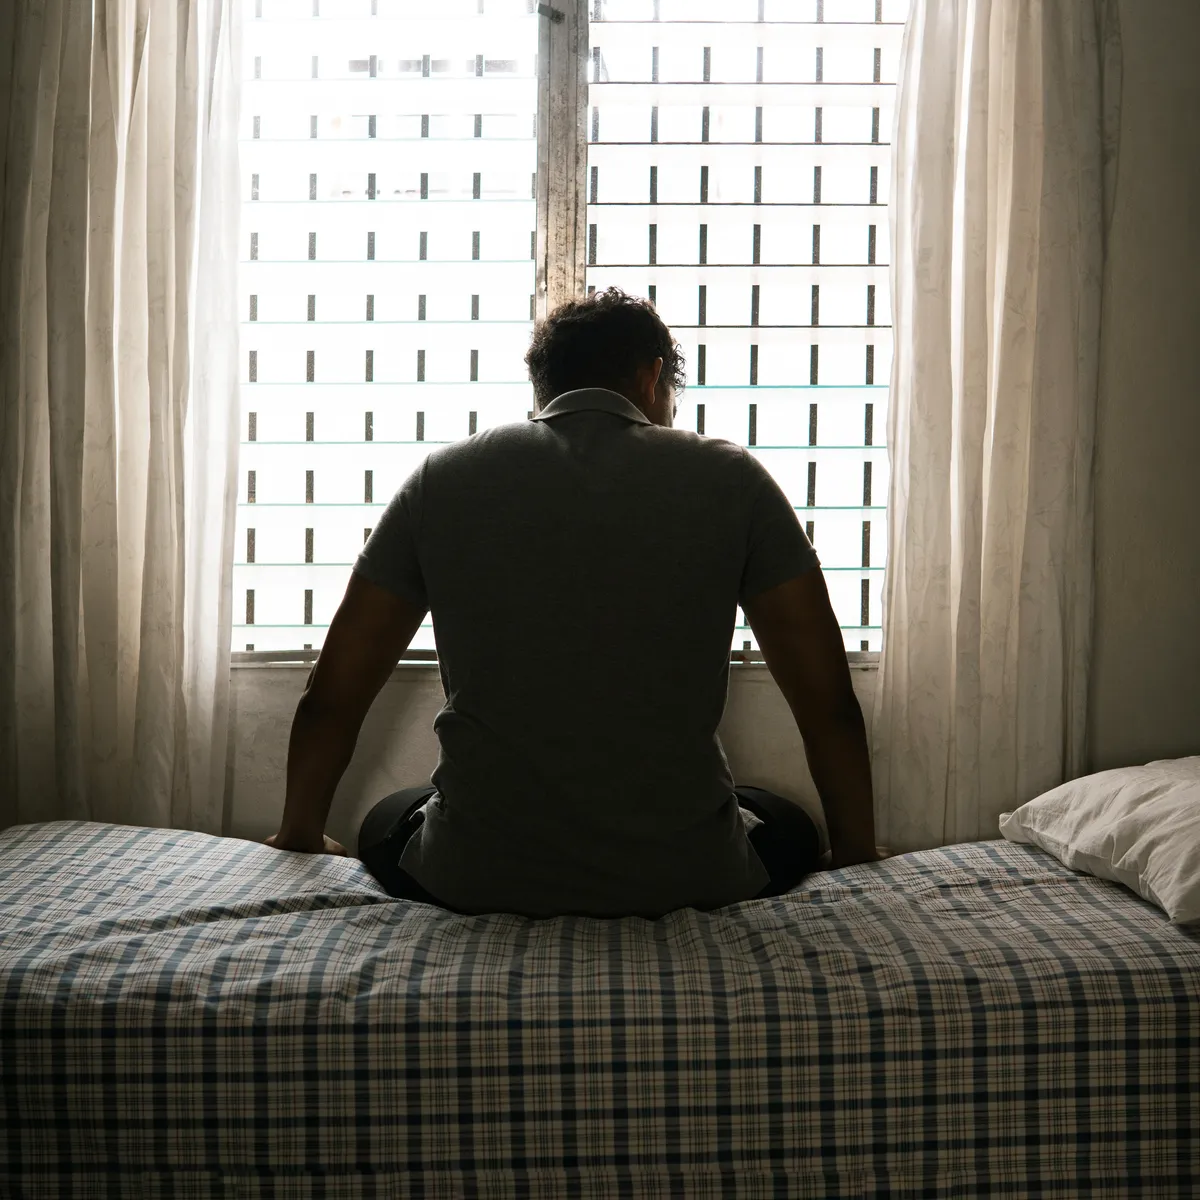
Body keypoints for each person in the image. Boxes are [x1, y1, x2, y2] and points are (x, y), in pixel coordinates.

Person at [265, 288, 883, 918]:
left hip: (474, 876)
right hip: (685, 875)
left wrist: (300, 834)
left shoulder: (441, 478)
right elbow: (828, 701)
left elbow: (333, 695)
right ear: (651, 377)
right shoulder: (733, 478)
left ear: (543, 385)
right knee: (787, 822)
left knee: (386, 819)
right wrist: (857, 849)